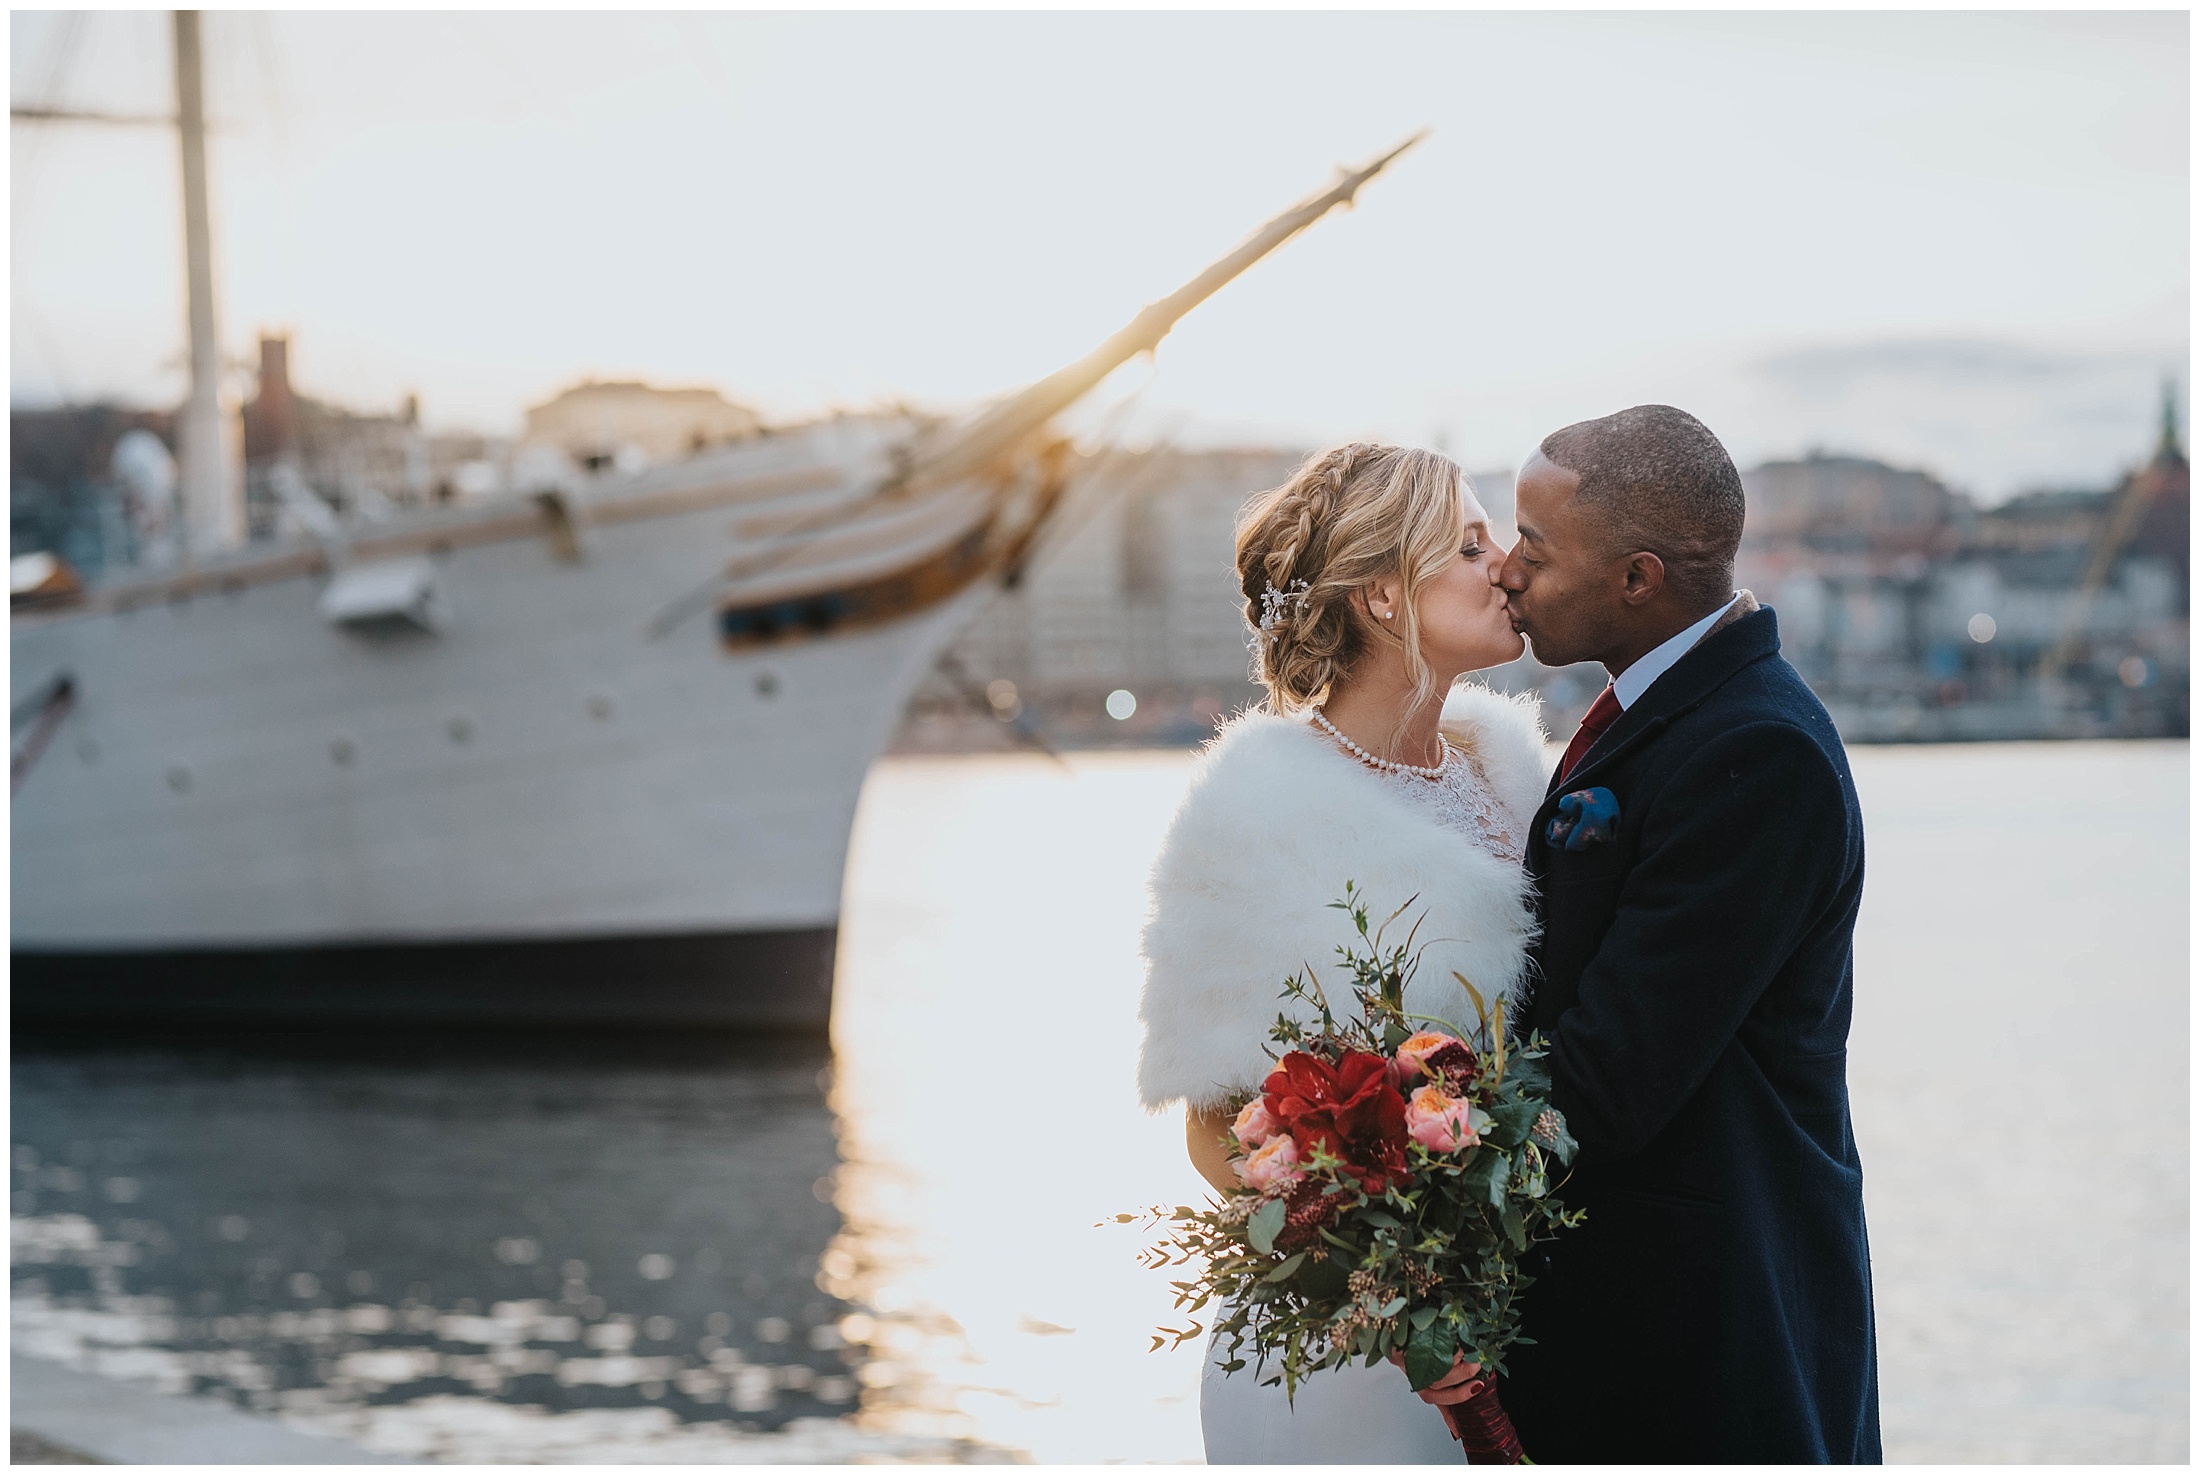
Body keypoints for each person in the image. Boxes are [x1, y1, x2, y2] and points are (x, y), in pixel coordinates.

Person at [1448, 404, 1882, 1462]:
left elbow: (1607, 1078)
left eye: (1534, 547)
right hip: (1635, 1318)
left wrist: (1395, 1192)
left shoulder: (1757, 753)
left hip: (1704, 1329)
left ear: (1636, 578)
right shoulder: (1671, 718)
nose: (1504, 569)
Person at [1135, 442, 1549, 1463]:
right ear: (1379, 593)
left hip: (1511, 1328)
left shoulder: (1513, 774)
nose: (1504, 563)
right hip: (1342, 1352)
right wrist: (1389, 1276)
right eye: (1467, 543)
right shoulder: (1255, 810)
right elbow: (1212, 1129)